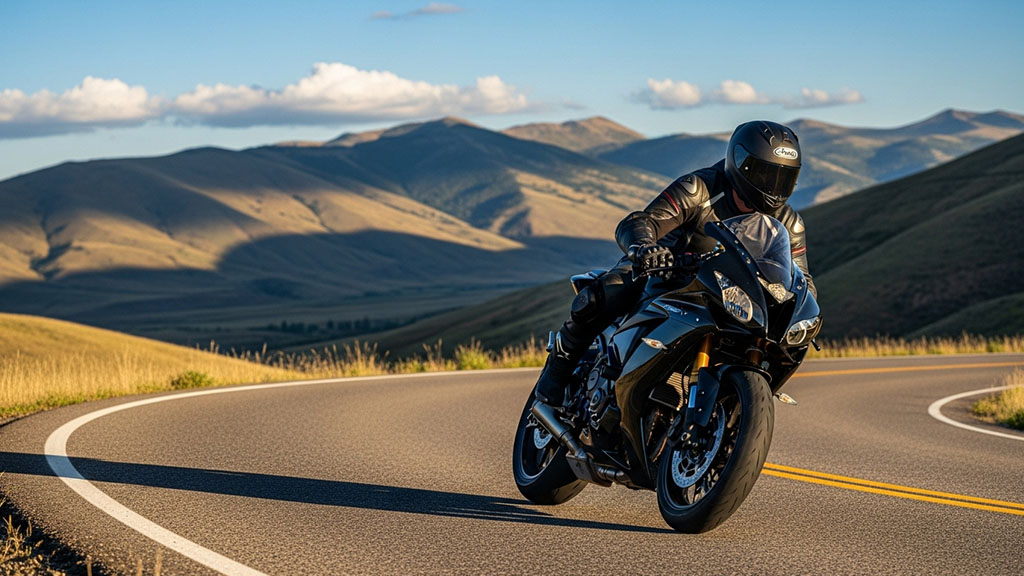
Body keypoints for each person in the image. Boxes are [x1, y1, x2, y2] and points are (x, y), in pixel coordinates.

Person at [535, 120, 817, 407]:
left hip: (726, 297)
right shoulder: (699, 189)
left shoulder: (789, 223)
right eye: (764, 174)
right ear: (740, 164)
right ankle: (557, 370)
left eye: (783, 178)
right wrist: (644, 248)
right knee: (604, 293)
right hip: (666, 274)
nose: (773, 187)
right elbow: (643, 221)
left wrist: (802, 308)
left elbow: (801, 278)